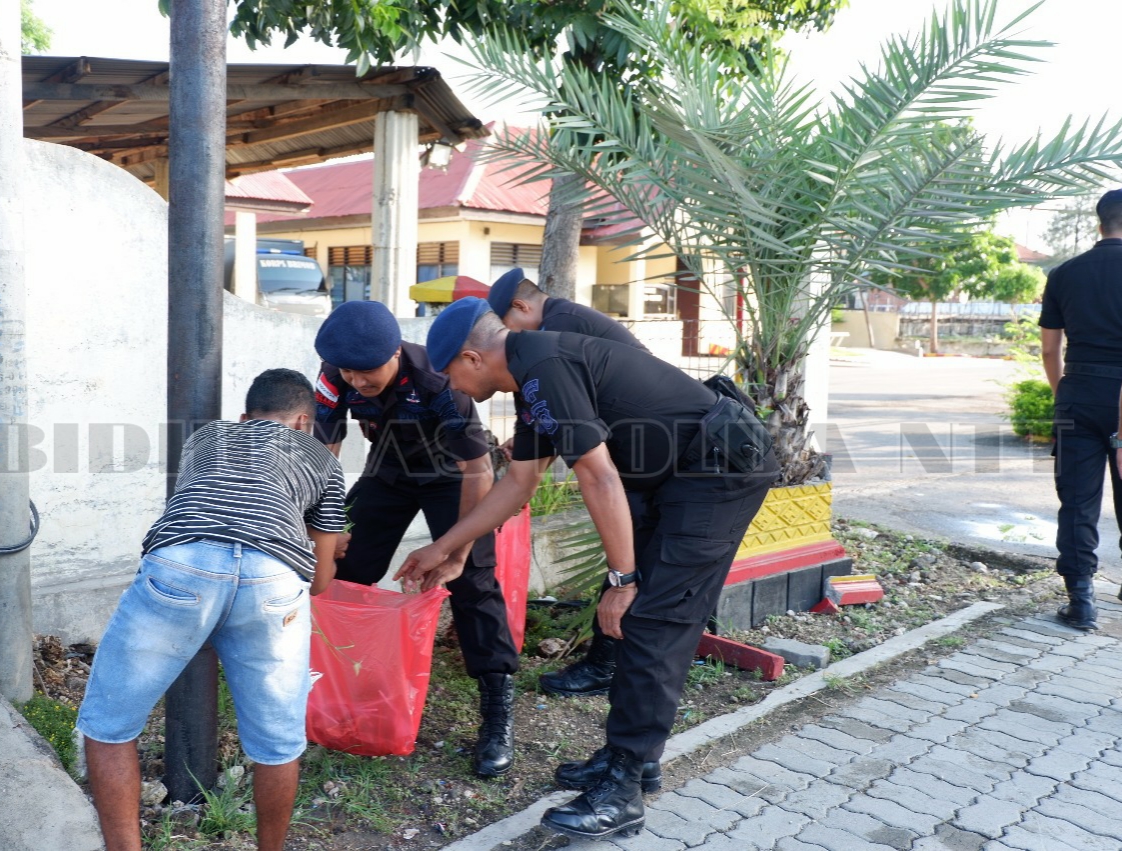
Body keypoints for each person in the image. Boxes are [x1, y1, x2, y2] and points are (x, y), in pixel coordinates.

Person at [397, 298, 777, 840]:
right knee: (643, 617)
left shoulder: (544, 366)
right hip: (680, 474)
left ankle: (623, 788)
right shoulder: (530, 377)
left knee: (652, 621)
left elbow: (599, 478)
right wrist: (447, 547)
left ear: (472, 358)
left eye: (451, 375)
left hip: (717, 470)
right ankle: (635, 758)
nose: (453, 389)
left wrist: (621, 581)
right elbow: (518, 483)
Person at [76, 369, 346, 851]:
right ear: (305, 423)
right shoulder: (323, 461)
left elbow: (211, 501)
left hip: (183, 563)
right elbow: (321, 581)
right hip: (274, 578)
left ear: (245, 417)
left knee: (108, 728)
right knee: (277, 745)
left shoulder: (208, 437)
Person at [311, 300, 520, 778]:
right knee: (349, 566)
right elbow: (325, 451)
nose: (358, 381)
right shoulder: (333, 373)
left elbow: (478, 470)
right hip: (388, 471)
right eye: (349, 372)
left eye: (368, 372)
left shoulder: (438, 381)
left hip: (454, 477)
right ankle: (341, 679)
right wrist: (328, 526)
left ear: (395, 355)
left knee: (473, 583)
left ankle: (496, 708)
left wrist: (455, 550)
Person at [487, 267, 647, 699]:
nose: (508, 344)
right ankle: (608, 662)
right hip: (633, 449)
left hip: (647, 453)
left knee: (628, 566)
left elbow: (569, 403)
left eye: (507, 331)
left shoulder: (555, 334)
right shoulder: (564, 321)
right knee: (631, 561)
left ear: (521, 307)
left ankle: (606, 665)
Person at [1040, 188, 1122, 628]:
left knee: (1077, 500)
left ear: (1100, 225)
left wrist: (1066, 392)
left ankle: (1081, 601)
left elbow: (1048, 350)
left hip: (1076, 392)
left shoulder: (1064, 273)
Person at [487, 267, 649, 350]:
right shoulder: (559, 315)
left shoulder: (560, 323)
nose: (510, 334)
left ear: (521, 306)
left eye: (506, 325)